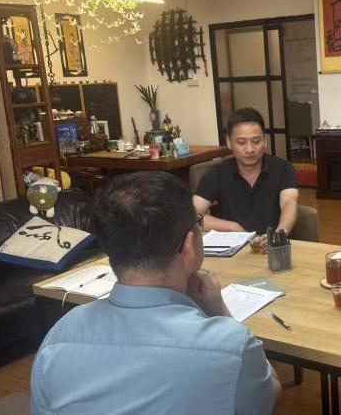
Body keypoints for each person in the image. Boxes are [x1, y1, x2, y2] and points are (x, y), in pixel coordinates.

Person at [31, 172, 280, 415]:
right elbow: (269, 394)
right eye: (199, 223)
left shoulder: (58, 338)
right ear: (188, 246)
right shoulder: (230, 346)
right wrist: (220, 313)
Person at [193, 108, 299, 242]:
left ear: (265, 141)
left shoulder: (283, 169)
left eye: (256, 141)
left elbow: (289, 203)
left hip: (277, 245)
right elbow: (190, 216)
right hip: (236, 247)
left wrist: (278, 236)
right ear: (229, 142)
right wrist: (232, 227)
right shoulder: (217, 175)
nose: (250, 149)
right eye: (241, 142)